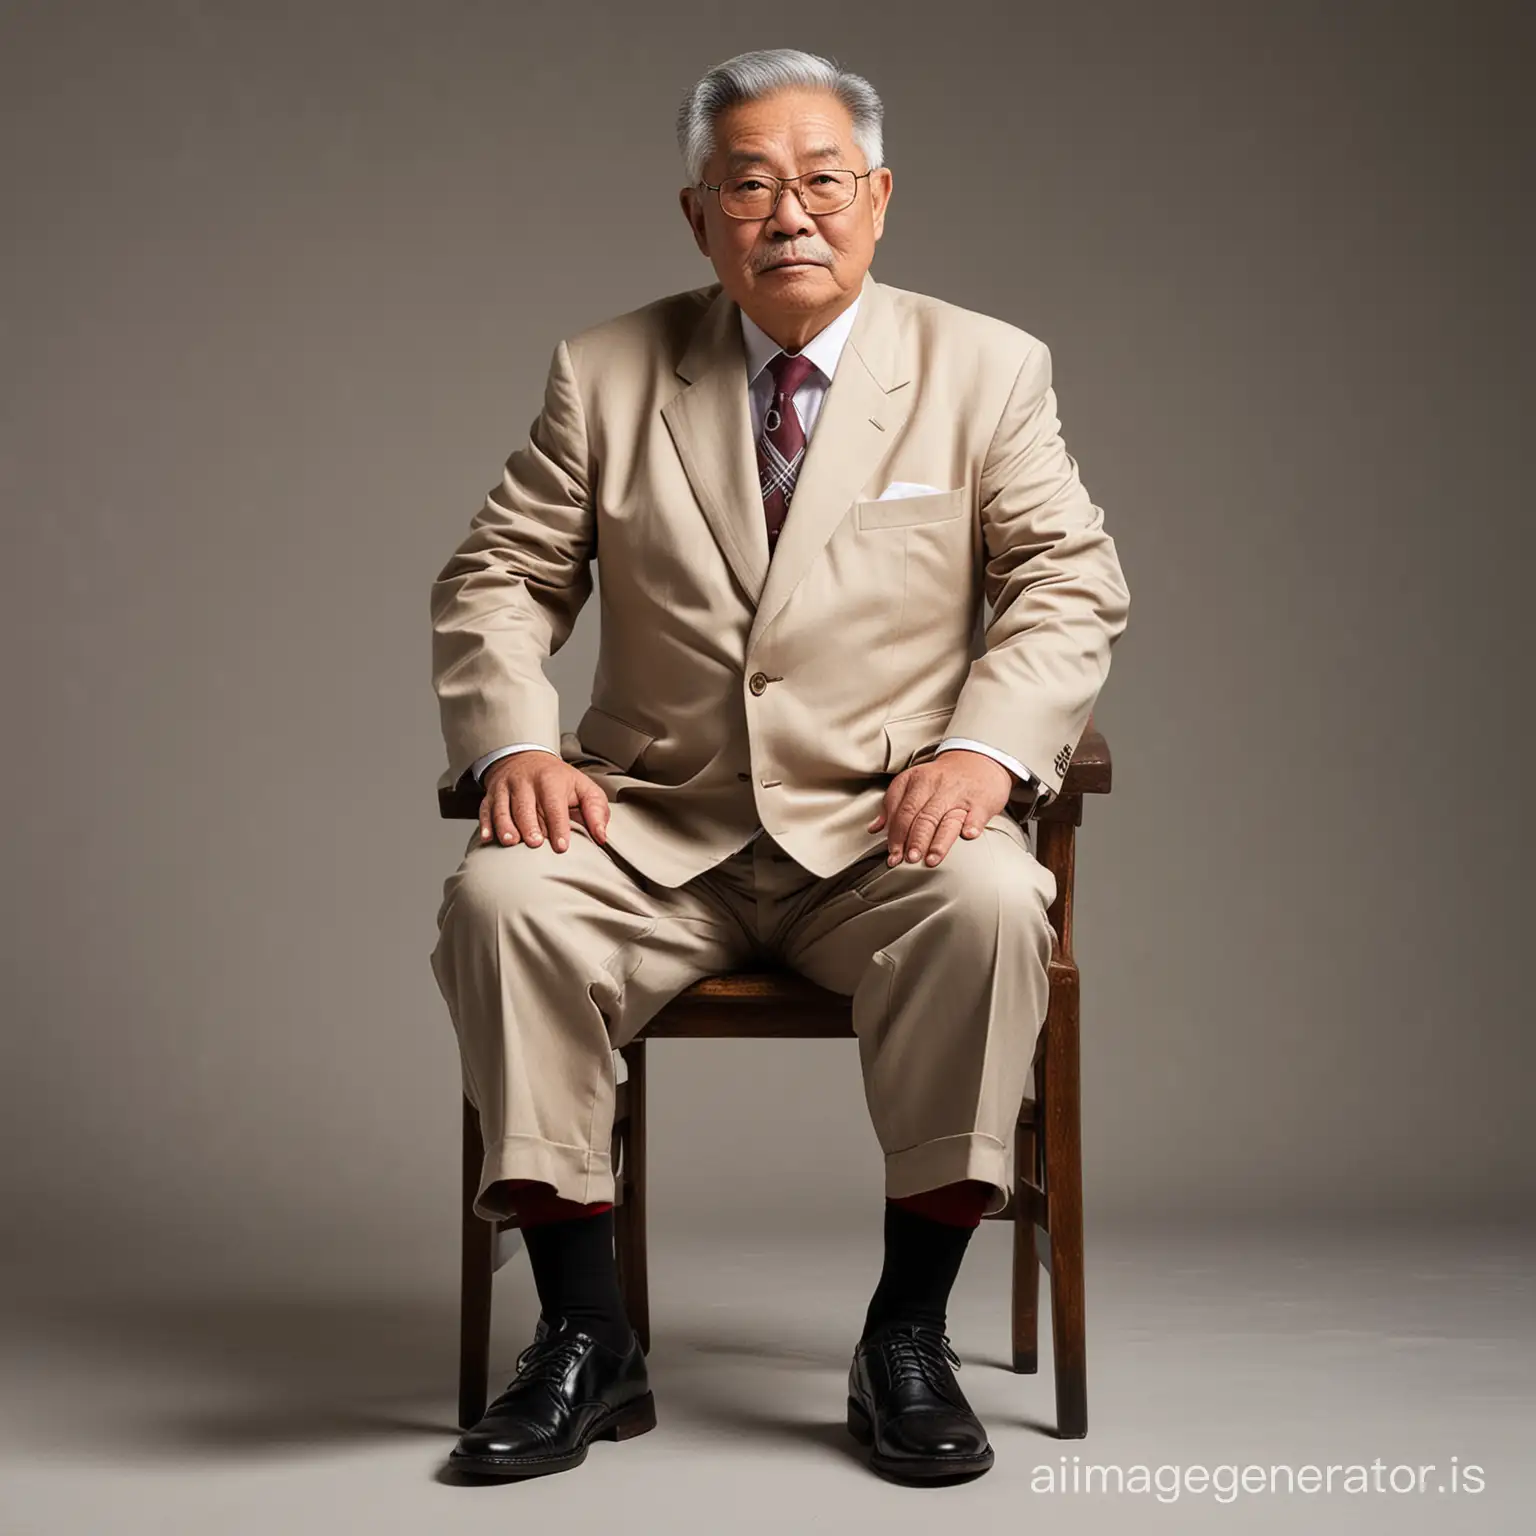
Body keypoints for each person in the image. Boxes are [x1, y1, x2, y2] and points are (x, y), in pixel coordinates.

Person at [428, 46, 1130, 1484]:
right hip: (655, 827)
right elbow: (499, 578)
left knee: (996, 907)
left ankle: (907, 1335)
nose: (788, 214)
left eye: (821, 181)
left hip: (887, 833)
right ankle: (585, 1336)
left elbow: (1068, 579)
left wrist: (988, 753)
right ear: (700, 217)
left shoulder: (984, 366)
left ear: (878, 201)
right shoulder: (605, 368)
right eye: (749, 185)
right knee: (503, 904)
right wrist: (512, 739)